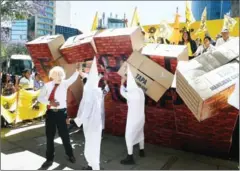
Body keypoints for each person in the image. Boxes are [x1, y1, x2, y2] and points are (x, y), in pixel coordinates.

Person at [37, 65, 82, 169]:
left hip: (62, 114)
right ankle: (49, 159)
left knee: (65, 136)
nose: (61, 76)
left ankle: (70, 154)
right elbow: (40, 98)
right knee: (49, 137)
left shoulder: (64, 84)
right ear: (52, 75)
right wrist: (49, 102)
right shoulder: (47, 86)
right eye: (58, 74)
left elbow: (73, 78)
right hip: (51, 114)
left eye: (62, 74)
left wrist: (77, 72)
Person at [74, 57, 103, 170]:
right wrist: (79, 67)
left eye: (88, 67)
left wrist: (75, 120)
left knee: (92, 147)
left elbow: (86, 110)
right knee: (91, 146)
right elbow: (84, 75)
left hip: (91, 123)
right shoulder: (93, 84)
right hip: (92, 123)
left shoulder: (90, 90)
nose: (86, 68)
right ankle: (91, 166)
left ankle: (94, 167)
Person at [120, 65, 145, 165]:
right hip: (141, 118)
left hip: (133, 120)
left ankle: (130, 157)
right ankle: (141, 151)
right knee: (140, 133)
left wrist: (122, 83)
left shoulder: (130, 94)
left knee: (128, 136)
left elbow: (122, 92)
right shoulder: (140, 91)